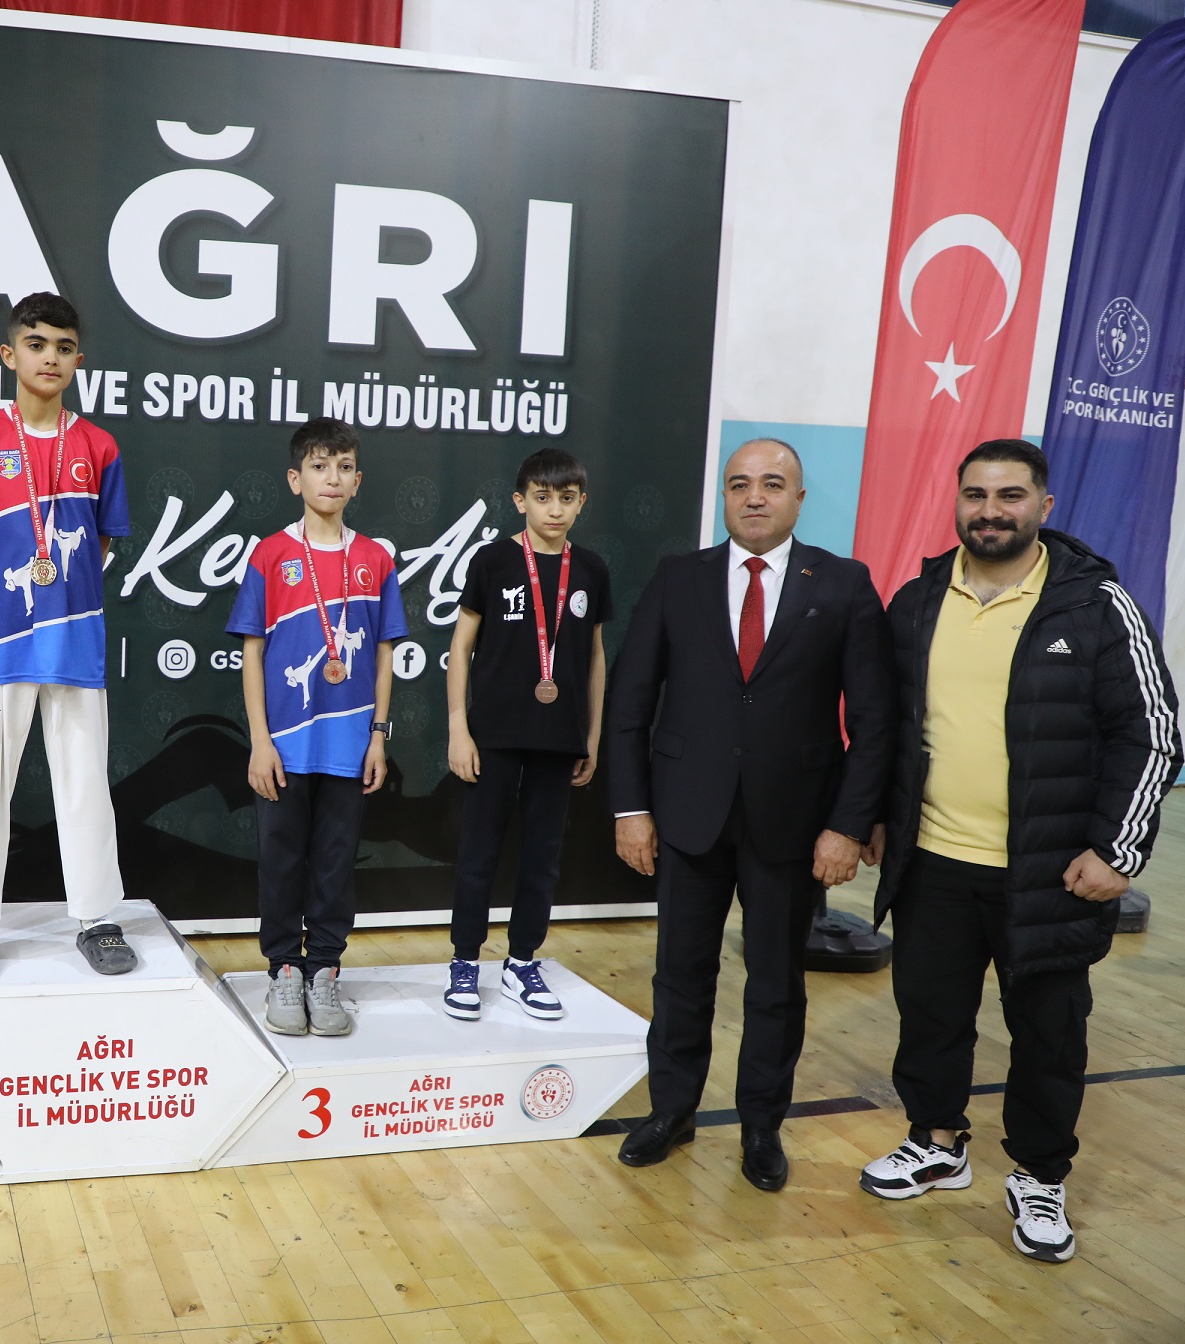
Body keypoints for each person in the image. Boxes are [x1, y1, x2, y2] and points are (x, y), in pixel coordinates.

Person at [858, 440, 1179, 1264]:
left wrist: (1118, 850)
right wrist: (881, 818)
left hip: (1050, 871)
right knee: (930, 1016)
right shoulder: (918, 599)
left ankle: (1040, 1175)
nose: (990, 510)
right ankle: (936, 1141)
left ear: (1044, 504)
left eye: (1009, 495)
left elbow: (1151, 733)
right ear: (957, 502)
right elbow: (892, 728)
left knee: (1048, 1035)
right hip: (934, 859)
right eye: (975, 494)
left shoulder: (1096, 604)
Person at [605, 437, 892, 1191]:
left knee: (776, 984)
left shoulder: (845, 583)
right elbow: (629, 704)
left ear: (799, 498)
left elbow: (873, 721)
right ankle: (671, 1111)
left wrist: (848, 825)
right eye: (739, 484)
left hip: (794, 825)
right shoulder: (678, 578)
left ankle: (762, 1126)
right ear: (725, 497)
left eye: (771, 484)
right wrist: (630, 808)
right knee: (679, 975)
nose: (754, 497)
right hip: (686, 819)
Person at [0, 292, 133, 981]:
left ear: (79, 360)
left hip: (74, 637)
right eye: (36, 344)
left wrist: (62, 601)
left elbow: (102, 542)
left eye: (63, 347)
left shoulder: (99, 445)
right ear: (9, 354)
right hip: (0, 640)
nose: (50, 357)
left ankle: (97, 917)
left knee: (84, 781)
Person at [228, 416, 407, 1036]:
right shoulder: (271, 555)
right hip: (283, 745)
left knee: (335, 862)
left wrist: (379, 734)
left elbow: (384, 653)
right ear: (294, 478)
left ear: (358, 480)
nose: (332, 478)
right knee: (280, 860)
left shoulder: (375, 558)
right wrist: (259, 741)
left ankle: (325, 969)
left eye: (344, 467)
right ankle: (283, 968)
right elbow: (252, 653)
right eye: (319, 466)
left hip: (351, 745)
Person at [443, 447, 611, 1021]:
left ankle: (521, 963)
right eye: (542, 498)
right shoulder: (492, 560)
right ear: (520, 501)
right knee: (479, 853)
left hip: (559, 737)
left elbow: (595, 656)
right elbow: (461, 645)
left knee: (543, 856)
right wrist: (458, 727)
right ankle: (465, 961)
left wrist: (591, 735)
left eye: (566, 498)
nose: (554, 509)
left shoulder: (591, 569)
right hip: (493, 734)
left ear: (582, 502)